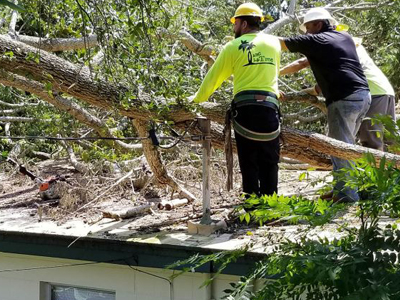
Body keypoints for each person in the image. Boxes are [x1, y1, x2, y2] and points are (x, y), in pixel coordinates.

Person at [279, 7, 371, 202]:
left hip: (344, 99)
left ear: (318, 24)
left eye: (308, 28)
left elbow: (280, 44)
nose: (307, 33)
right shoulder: (343, 37)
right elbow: (311, 63)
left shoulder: (317, 39)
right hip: (362, 96)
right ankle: (343, 189)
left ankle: (347, 196)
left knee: (339, 149)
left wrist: (248, 42)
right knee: (347, 147)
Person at [192, 2, 281, 197]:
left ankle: (251, 207)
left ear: (242, 23)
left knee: (248, 161)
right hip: (269, 107)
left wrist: (196, 100)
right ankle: (271, 208)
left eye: (235, 24)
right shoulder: (274, 43)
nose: (234, 28)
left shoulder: (232, 46)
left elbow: (213, 78)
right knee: (270, 160)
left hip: (245, 109)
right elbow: (273, 73)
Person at [280, 37, 396, 152]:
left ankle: (371, 169)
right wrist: (315, 89)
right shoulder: (350, 47)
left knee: (371, 140)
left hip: (373, 92)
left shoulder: (336, 48)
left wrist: (276, 72)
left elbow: (302, 63)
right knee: (391, 139)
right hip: (385, 90)